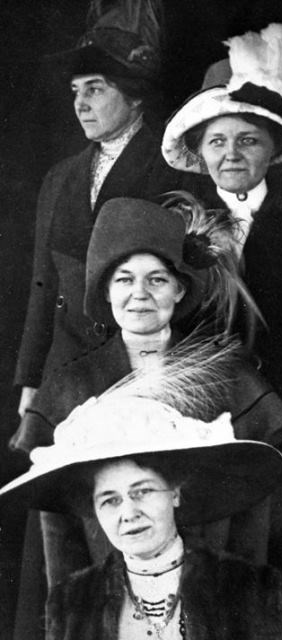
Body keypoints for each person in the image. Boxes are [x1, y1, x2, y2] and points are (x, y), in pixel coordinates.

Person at [12, 194, 282, 584]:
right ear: (105, 291)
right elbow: (60, 527)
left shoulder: (228, 376)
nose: (140, 295)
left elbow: (254, 507)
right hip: (109, 590)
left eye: (157, 279)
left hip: (214, 584)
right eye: (124, 280)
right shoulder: (71, 385)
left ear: (179, 290)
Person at [162, 22, 282, 540]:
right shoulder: (172, 231)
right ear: (200, 152)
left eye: (248, 140)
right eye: (217, 141)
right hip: (200, 437)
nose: (231, 154)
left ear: (275, 147)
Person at [0, 374, 282, 640]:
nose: (129, 513)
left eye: (143, 491)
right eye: (110, 500)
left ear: (175, 492)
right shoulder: (72, 602)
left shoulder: (246, 589)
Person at [13, 3, 178, 422]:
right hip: (65, 374)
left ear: (135, 95)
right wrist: (32, 380)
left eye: (95, 89)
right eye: (75, 91)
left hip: (142, 370)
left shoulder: (172, 168)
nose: (80, 104)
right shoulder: (60, 177)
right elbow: (43, 285)